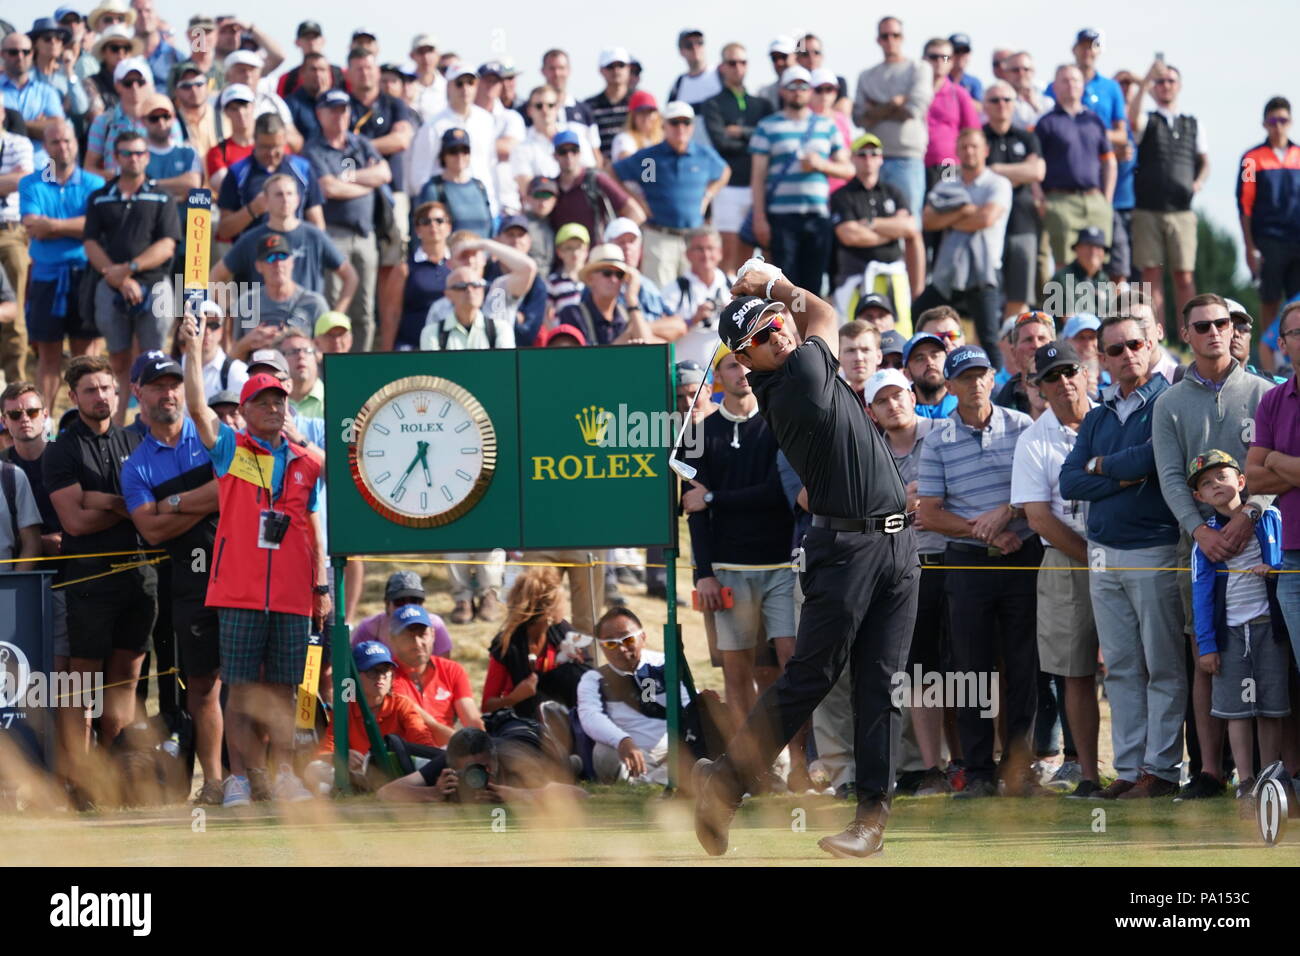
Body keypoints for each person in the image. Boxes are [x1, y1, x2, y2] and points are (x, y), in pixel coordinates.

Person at [694, 257, 917, 859]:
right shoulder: (797, 381)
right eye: (763, 335)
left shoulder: (793, 364)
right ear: (745, 359)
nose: (780, 332)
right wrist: (770, 280)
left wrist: (762, 295)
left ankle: (871, 817)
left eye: (777, 322)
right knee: (808, 679)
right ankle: (728, 784)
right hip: (846, 548)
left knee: (883, 684)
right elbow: (818, 311)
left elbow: (803, 320)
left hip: (897, 545)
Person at [178, 315, 327, 808]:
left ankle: (284, 775)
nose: (271, 407)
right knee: (240, 690)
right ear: (243, 410)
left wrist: (320, 586)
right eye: (261, 402)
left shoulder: (307, 462)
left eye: (278, 401)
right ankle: (240, 778)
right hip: (238, 590)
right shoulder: (231, 450)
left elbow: (317, 520)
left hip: (290, 594)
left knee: (284, 691)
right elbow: (198, 409)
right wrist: (193, 351)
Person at [1152, 294, 1274, 800]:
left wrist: (1249, 513)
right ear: (1187, 333)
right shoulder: (1169, 402)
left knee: (1271, 655)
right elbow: (1171, 478)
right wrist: (1201, 531)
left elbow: (1271, 468)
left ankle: (1273, 772)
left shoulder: (1266, 393)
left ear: (1232, 328)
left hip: (1263, 542)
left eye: (1221, 323)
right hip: (1199, 548)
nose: (1214, 332)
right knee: (1206, 651)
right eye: (1202, 326)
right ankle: (1208, 770)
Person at [1060, 313, 1182, 798]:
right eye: (1115, 348)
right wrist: (1120, 475)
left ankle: (1163, 770)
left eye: (1135, 343)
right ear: (1103, 358)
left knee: (1164, 664)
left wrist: (1103, 467)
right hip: (1104, 554)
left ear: (1152, 343)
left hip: (1155, 547)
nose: (1126, 353)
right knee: (1124, 667)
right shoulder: (1097, 413)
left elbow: (1151, 460)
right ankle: (1130, 771)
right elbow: (1070, 481)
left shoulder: (1169, 402)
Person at [918, 344, 1040, 799]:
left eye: (981, 375)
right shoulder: (937, 439)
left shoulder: (1022, 426)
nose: (974, 384)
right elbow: (928, 512)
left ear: (993, 378)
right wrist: (987, 531)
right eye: (963, 378)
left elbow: (1038, 490)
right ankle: (978, 771)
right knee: (970, 668)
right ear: (949, 387)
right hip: (967, 563)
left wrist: (1005, 517)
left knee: (1024, 667)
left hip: (1022, 556)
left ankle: (1018, 769)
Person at [43, 355, 158, 802]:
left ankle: (115, 775)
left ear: (119, 392)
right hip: (89, 580)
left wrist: (100, 500)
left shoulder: (137, 439)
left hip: (140, 578)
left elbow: (151, 508)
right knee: (81, 687)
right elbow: (74, 523)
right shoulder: (63, 449)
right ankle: (79, 779)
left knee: (125, 687)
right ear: (73, 397)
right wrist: (119, 505)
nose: (101, 396)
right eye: (90, 390)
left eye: (107, 388)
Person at [119, 353, 224, 805]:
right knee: (201, 687)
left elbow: (232, 487)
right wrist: (206, 501)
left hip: (242, 573)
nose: (169, 393)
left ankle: (258, 778)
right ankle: (216, 784)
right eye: (157, 385)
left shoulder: (208, 434)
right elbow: (151, 529)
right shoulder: (136, 465)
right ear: (137, 392)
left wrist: (175, 502)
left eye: (174, 384)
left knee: (253, 682)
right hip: (189, 582)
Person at [685, 347, 795, 741]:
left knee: (791, 665)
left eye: (747, 363)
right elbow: (692, 510)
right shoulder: (699, 435)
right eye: (732, 365)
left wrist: (716, 497)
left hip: (783, 565)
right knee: (737, 673)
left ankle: (799, 766)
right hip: (730, 570)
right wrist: (704, 575)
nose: (742, 371)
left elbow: (777, 492)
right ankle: (747, 768)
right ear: (718, 378)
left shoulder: (780, 423)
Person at [1010, 341, 1101, 796]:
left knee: (1136, 666)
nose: (1063, 382)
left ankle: (1144, 771)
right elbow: (1038, 516)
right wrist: (1095, 560)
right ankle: (1088, 774)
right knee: (1075, 671)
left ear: (1085, 373)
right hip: (1068, 560)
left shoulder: (1113, 420)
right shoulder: (1034, 438)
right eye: (1052, 377)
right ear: (1040, 388)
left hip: (1127, 551)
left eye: (1070, 372)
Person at [861, 368, 949, 794]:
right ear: (871, 412)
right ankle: (934, 769)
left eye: (898, 396)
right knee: (923, 672)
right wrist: (906, 499)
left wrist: (921, 499)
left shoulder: (945, 432)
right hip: (904, 568)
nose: (892, 405)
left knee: (980, 668)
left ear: (913, 396)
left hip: (960, 557)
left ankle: (989, 765)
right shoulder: (867, 451)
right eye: (882, 400)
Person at [1189, 451, 1288, 798]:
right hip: (1229, 634)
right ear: (1198, 497)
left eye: (1222, 477)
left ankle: (1271, 777)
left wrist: (1272, 571)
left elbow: (1286, 564)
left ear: (1242, 482)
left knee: (1271, 708)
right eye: (1205, 483)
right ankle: (1245, 780)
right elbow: (1201, 595)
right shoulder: (1205, 540)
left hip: (1268, 629)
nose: (1215, 485)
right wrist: (1207, 645)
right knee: (1237, 711)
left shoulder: (1271, 518)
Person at [82, 129, 179, 423]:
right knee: (118, 360)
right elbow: (90, 243)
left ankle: (150, 423)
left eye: (139, 152)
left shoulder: (162, 197)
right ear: (115, 157)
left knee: (153, 360)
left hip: (154, 284)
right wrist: (120, 279)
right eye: (126, 153)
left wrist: (131, 269)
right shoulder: (99, 197)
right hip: (111, 285)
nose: (133, 158)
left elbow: (167, 245)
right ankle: (116, 425)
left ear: (147, 157)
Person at [19, 121, 104, 412]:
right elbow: (33, 228)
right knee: (48, 357)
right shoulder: (31, 183)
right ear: (46, 147)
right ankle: (45, 426)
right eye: (55, 142)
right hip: (47, 278)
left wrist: (52, 225)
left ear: (76, 143)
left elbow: (95, 227)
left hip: (85, 277)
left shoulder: (95, 184)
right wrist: (77, 227)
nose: (62, 147)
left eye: (67, 141)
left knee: (85, 359)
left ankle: (85, 421)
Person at [749, 66, 851, 294]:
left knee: (813, 284)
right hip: (782, 217)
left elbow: (848, 168)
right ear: (783, 91)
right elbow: (758, 177)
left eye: (803, 86)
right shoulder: (768, 126)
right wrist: (759, 217)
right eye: (792, 86)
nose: (798, 91)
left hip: (817, 216)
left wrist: (821, 165)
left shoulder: (826, 125)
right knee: (784, 283)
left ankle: (810, 330)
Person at [912, 128, 1011, 362]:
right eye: (964, 147)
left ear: (985, 150)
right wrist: (964, 210)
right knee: (918, 316)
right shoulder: (947, 184)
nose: (969, 152)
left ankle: (998, 391)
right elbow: (927, 220)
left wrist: (950, 215)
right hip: (948, 272)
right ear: (956, 151)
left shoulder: (998, 183)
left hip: (983, 272)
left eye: (974, 146)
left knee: (988, 337)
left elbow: (985, 219)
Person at [304, 90, 390, 351]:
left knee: (364, 309)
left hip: (365, 235)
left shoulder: (360, 143)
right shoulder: (313, 148)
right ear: (320, 114)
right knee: (333, 307)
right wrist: (367, 185)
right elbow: (328, 188)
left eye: (343, 109)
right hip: (333, 235)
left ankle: (361, 365)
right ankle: (331, 367)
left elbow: (384, 173)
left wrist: (349, 177)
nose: (340, 115)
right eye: (333, 109)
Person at [612, 101, 728, 288]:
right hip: (660, 237)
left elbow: (724, 172)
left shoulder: (703, 155)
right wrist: (637, 202)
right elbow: (614, 172)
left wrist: (708, 195)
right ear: (664, 125)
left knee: (694, 294)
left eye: (686, 122)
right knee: (660, 293)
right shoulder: (650, 158)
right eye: (674, 122)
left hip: (693, 239)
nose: (680, 128)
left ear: (692, 126)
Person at [1246, 301, 1300, 698]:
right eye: (1297, 333)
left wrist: (1277, 460)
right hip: (1291, 555)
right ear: (1281, 343)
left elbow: (1267, 469)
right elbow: (1252, 477)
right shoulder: (1273, 401)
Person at [577, 607, 692, 785]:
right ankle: (665, 780)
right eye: (610, 643)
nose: (621, 648)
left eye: (628, 639)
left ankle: (657, 779)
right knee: (603, 753)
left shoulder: (665, 664)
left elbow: (687, 703)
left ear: (643, 637)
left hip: (674, 748)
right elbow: (590, 717)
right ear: (601, 647)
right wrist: (622, 740)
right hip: (628, 751)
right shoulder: (594, 679)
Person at [1128, 61, 1206, 322]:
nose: (1165, 86)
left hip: (1182, 210)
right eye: (1160, 82)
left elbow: (1204, 160)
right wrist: (1144, 82)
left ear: (1179, 86)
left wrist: (1198, 182)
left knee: (1184, 275)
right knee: (1150, 275)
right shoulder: (1148, 119)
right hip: (1148, 208)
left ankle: (1191, 333)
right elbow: (1132, 119)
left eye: (1170, 81)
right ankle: (1155, 333)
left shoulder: (1193, 123)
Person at [212, 172, 356, 305]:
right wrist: (236, 311)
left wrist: (337, 314)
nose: (285, 199)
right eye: (279, 194)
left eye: (289, 194)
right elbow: (215, 277)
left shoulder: (315, 236)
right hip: (262, 325)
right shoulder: (251, 239)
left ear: (298, 199)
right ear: (266, 201)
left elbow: (350, 277)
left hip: (306, 323)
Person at [829, 132, 921, 325]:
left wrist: (871, 224)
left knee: (900, 334)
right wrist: (892, 231)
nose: (868, 159)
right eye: (862, 154)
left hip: (893, 279)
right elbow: (849, 235)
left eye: (873, 153)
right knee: (856, 336)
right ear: (853, 158)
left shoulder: (893, 192)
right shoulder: (842, 196)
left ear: (881, 158)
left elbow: (910, 227)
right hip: (856, 279)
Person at [700, 44, 774, 273]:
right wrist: (756, 139)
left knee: (757, 254)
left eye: (742, 62)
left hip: (758, 188)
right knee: (728, 254)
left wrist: (741, 132)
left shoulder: (762, 104)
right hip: (728, 187)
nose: (738, 68)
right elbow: (721, 143)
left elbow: (769, 139)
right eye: (732, 63)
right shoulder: (712, 103)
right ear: (722, 67)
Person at [1035, 64, 1116, 271]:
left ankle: (1094, 305)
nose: (1071, 84)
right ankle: (1066, 305)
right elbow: (1034, 163)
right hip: (1060, 201)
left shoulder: (1095, 121)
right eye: (1065, 80)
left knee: (1097, 263)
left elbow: (1109, 161)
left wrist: (1106, 200)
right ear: (1055, 87)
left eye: (1075, 80)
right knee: (1066, 264)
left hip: (1094, 199)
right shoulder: (1046, 123)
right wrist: (1040, 199)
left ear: (1083, 86)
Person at [1237, 97, 1300, 359]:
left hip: (1297, 240)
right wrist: (1250, 248)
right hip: (1268, 241)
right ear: (1265, 123)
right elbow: (1245, 205)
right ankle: (1269, 355)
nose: (1278, 126)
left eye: (1283, 120)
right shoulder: (1252, 159)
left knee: (1296, 301)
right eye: (1273, 121)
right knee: (1269, 299)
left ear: (1291, 122)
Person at [377, 726, 585, 805]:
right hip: (499, 734)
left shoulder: (516, 762)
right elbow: (386, 792)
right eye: (468, 771)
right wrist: (433, 793)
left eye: (484, 768)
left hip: (533, 738)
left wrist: (519, 794)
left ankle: (572, 762)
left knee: (565, 767)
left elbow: (579, 794)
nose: (477, 776)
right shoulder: (447, 764)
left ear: (494, 761)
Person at [482, 567, 587, 721]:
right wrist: (513, 698)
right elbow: (487, 706)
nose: (565, 605)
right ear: (548, 611)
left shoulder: (565, 634)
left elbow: (589, 686)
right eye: (562, 600)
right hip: (522, 725)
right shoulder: (507, 644)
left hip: (569, 721)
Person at [853, 17, 932, 218]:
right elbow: (860, 118)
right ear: (878, 39)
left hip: (908, 158)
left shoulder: (919, 68)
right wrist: (896, 102)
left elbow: (913, 110)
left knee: (909, 221)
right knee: (874, 221)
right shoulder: (866, 75)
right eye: (885, 36)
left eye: (895, 35)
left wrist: (877, 108)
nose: (890, 40)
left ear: (902, 37)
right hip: (872, 159)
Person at [982, 82, 1044, 316]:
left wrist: (994, 169)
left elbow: (1037, 172)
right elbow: (967, 174)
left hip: (1022, 222)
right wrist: (1017, 172)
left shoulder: (1027, 136)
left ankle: (1014, 348)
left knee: (1020, 296)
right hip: (986, 224)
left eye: (1007, 100)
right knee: (984, 294)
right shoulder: (976, 138)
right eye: (995, 100)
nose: (1002, 105)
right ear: (985, 106)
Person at [215, 112, 325, 243]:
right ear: (254, 141)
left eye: (276, 146)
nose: (271, 153)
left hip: (294, 253)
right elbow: (224, 230)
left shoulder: (303, 169)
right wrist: (253, 209)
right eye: (265, 147)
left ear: (285, 140)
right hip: (252, 256)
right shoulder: (237, 172)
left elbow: (317, 223)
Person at [404, 63, 498, 212]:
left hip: (483, 205)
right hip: (447, 208)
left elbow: (491, 166)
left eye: (470, 83)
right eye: (459, 84)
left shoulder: (486, 120)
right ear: (448, 86)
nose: (465, 89)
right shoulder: (434, 126)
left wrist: (493, 205)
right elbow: (419, 176)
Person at [230, 234, 328, 358]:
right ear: (259, 266)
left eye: (283, 256)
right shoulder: (247, 302)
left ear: (292, 262)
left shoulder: (314, 303)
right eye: (270, 258)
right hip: (258, 372)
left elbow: (327, 354)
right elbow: (233, 358)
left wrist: (294, 343)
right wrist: (249, 342)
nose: (278, 263)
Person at [548, 128, 644, 241]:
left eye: (574, 150)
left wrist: (614, 240)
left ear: (580, 153)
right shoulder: (550, 187)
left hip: (597, 255)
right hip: (562, 255)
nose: (569, 156)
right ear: (555, 155)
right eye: (562, 151)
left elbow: (636, 213)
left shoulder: (595, 179)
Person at [661, 227, 731, 368]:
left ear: (720, 253)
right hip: (687, 377)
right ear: (687, 254)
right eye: (699, 249)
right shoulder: (673, 291)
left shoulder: (734, 286)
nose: (705, 254)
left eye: (710, 248)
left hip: (728, 377)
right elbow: (659, 335)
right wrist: (692, 320)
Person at [1, 29, 65, 167]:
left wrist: (11, 124)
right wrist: (37, 125)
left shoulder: (47, 91)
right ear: (2, 54)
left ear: (32, 54)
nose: (20, 56)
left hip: (44, 168)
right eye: (13, 52)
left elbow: (57, 131)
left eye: (26, 52)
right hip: (4, 173)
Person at [350, 570, 452, 656]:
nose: (407, 608)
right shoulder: (369, 629)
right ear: (387, 604)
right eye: (400, 602)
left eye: (414, 601)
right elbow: (355, 672)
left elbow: (443, 672)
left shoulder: (435, 626)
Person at [393, 200, 451, 350]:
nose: (433, 225)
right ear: (418, 230)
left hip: (452, 346)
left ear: (449, 227)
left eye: (439, 220)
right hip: (412, 346)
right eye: (425, 221)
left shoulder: (459, 267)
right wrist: (387, 354)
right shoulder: (404, 269)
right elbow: (391, 315)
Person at [922, 37, 979, 188]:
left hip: (949, 163)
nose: (940, 61)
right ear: (924, 60)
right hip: (917, 162)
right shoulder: (913, 92)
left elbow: (972, 132)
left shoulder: (959, 94)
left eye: (945, 57)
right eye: (934, 57)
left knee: (948, 206)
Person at [413, 127, 492, 236]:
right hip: (451, 251)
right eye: (453, 151)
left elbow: (490, 227)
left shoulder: (479, 186)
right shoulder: (434, 188)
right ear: (443, 155)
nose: (459, 156)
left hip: (482, 251)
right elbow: (424, 229)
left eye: (464, 151)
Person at [177, 300, 247, 402]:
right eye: (200, 323)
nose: (206, 331)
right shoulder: (174, 368)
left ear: (222, 331)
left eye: (214, 325)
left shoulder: (237, 371)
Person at [1045, 226, 1117, 319]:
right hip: (1069, 332)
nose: (1093, 252)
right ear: (1077, 249)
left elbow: (1111, 316)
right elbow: (1070, 321)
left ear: (1103, 253)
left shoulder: (1104, 278)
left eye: (1098, 247)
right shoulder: (1063, 278)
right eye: (1088, 246)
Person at [995, 311, 1055, 415]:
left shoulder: (1072, 389)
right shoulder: (998, 404)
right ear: (1014, 352)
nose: (1036, 345)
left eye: (1042, 338)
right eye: (1028, 340)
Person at [585, 48, 634, 163]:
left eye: (620, 65)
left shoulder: (639, 102)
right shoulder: (589, 106)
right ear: (601, 70)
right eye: (610, 66)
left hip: (637, 170)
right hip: (601, 171)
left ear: (629, 68)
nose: (616, 70)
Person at [205, 84, 257, 191]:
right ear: (226, 112)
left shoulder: (273, 145)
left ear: (253, 106)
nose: (241, 113)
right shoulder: (217, 153)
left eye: (245, 106)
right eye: (234, 109)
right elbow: (227, 190)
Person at [903, 330, 958, 419]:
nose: (930, 362)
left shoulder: (965, 401)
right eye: (919, 358)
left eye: (935, 355)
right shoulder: (901, 412)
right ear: (907, 373)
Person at [610, 89, 661, 163]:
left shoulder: (663, 139)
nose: (646, 117)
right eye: (641, 112)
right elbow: (627, 162)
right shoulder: (624, 138)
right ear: (633, 116)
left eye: (650, 111)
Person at [837, 320, 882, 404]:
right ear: (838, 358)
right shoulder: (831, 400)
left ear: (879, 356)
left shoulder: (892, 396)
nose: (858, 358)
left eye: (865, 350)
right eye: (850, 350)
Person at [948, 33, 983, 102]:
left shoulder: (974, 82)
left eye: (965, 51)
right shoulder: (939, 79)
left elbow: (980, 107)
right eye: (956, 51)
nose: (961, 55)